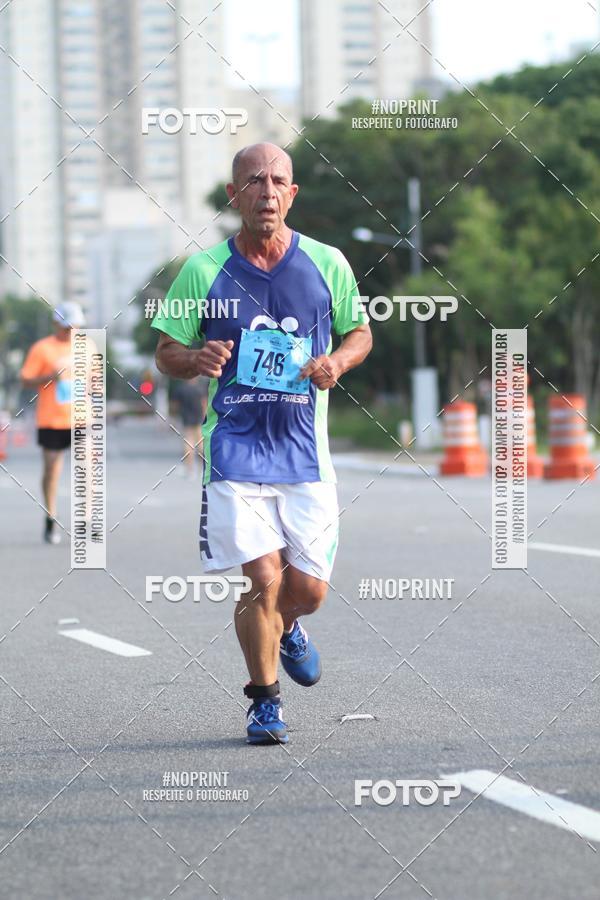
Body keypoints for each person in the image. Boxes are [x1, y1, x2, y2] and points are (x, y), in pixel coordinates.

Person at [153, 142, 372, 744]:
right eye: (254, 181)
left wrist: (338, 364)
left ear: (292, 193)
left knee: (307, 592)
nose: (267, 191)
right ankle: (264, 702)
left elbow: (360, 332)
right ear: (234, 195)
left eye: (278, 180)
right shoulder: (202, 271)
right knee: (264, 584)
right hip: (235, 452)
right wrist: (195, 358)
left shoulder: (327, 263)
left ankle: (290, 628)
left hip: (305, 453)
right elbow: (166, 351)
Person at [20, 302, 85, 544]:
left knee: (88, 469)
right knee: (51, 470)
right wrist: (50, 377)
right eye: (68, 327)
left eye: (76, 326)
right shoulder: (42, 349)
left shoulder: (86, 347)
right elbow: (25, 379)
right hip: (51, 419)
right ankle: (51, 517)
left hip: (81, 418)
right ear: (56, 324)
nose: (72, 331)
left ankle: (86, 520)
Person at [172, 375, 209, 478]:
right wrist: (205, 417)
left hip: (186, 419)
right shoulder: (200, 389)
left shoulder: (181, 389)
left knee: (188, 443)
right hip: (199, 419)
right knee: (201, 444)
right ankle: (203, 469)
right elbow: (204, 404)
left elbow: (175, 406)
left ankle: (190, 470)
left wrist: (175, 418)